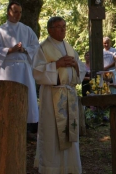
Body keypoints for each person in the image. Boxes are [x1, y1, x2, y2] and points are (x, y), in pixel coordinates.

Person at [32, 16, 86, 174]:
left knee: (70, 131)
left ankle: (69, 167)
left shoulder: (69, 47)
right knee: (52, 133)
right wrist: (57, 64)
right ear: (50, 29)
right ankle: (52, 168)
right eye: (58, 26)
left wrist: (75, 65)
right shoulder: (43, 48)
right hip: (52, 95)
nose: (63, 29)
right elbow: (36, 71)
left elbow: (81, 69)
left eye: (64, 26)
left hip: (69, 93)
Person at [0, 2, 40, 139]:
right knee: (8, 99)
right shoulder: (0, 31)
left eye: (20, 12)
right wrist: (11, 50)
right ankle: (7, 129)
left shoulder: (27, 30)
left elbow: (36, 46)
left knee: (26, 97)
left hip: (24, 68)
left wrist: (24, 49)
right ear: (8, 12)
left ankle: (24, 129)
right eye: (15, 11)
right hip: (8, 70)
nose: (18, 15)